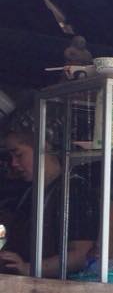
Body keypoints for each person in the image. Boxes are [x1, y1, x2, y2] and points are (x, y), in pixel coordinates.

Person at [0, 107, 98, 277]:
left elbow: (79, 256)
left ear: (43, 146)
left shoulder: (75, 191)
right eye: (11, 157)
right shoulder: (29, 191)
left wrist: (28, 268)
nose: (14, 163)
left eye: (19, 155)